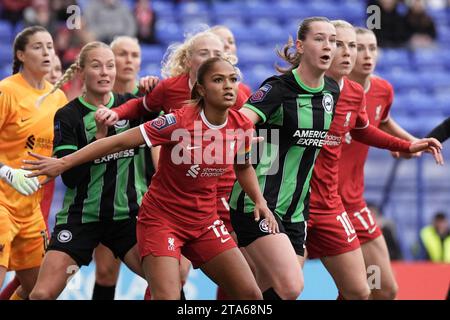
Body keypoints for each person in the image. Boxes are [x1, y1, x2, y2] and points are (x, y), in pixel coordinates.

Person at [24, 56, 273, 300]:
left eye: (232, 79)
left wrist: (259, 201)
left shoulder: (242, 125)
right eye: (218, 80)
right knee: (167, 296)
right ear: (201, 89)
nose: (228, 86)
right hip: (162, 221)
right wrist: (64, 162)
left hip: (205, 221)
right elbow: (118, 141)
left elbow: (243, 168)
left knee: (250, 295)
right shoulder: (178, 121)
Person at [97, 28, 251, 299]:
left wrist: (258, 193)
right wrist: (117, 113)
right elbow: (140, 108)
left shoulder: (237, 95)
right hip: (175, 196)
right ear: (188, 58)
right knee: (173, 274)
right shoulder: (169, 89)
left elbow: (247, 140)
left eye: (218, 53)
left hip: (221, 193)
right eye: (204, 53)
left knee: (238, 278)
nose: (211, 57)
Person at [306, 20, 442, 300]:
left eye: (370, 48)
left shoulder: (380, 91)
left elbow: (379, 123)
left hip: (351, 203)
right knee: (284, 285)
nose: (365, 55)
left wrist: (408, 144)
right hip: (306, 201)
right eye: (356, 47)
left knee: (381, 288)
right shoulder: (317, 92)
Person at [25, 41, 148, 300]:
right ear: (81, 71)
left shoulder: (134, 106)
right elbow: (70, 178)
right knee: (41, 295)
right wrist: (99, 139)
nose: (104, 72)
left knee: (169, 285)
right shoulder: (68, 116)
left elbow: (177, 109)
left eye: (110, 66)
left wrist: (155, 87)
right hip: (82, 217)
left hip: (128, 218)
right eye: (96, 66)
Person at [227, 17, 339, 300]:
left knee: (271, 291)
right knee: (291, 285)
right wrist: (242, 137)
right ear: (300, 46)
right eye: (320, 39)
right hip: (257, 203)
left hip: (296, 210)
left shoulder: (332, 91)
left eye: (333, 41)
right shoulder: (278, 88)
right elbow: (241, 120)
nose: (329, 46)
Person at [0, 26, 67, 300]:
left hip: (30, 210)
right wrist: (5, 171)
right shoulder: (6, 91)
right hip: (1, 203)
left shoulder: (58, 99)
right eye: (38, 47)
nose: (47, 52)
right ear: (21, 55)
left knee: (40, 291)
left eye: (50, 46)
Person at [91, 36, 159, 301]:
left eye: (134, 55)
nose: (129, 60)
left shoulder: (149, 100)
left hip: (145, 199)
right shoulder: (97, 102)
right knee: (106, 272)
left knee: (166, 271)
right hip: (107, 199)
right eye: (122, 54)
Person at [211, 25, 252, 97]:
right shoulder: (194, 83)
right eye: (220, 41)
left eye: (231, 42)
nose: (227, 45)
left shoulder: (244, 90)